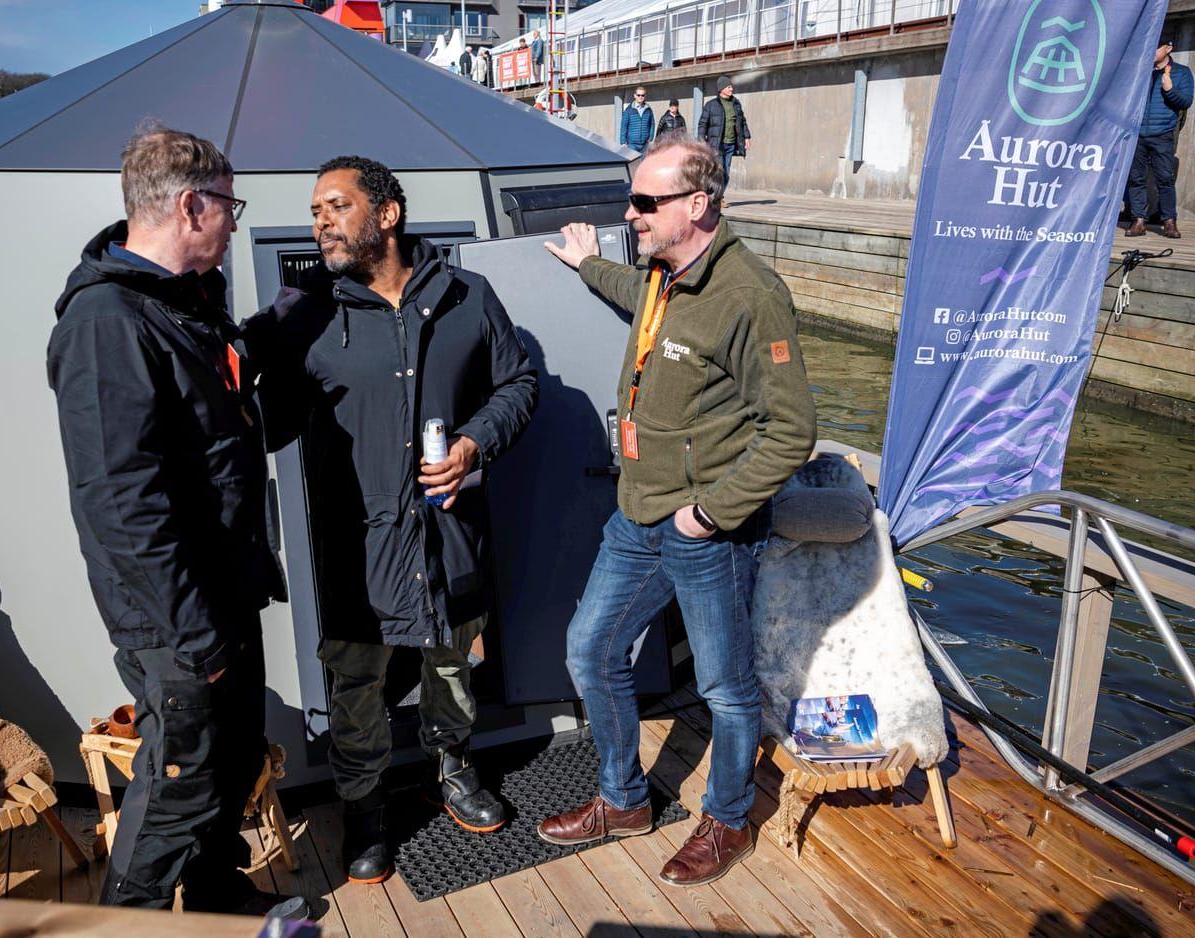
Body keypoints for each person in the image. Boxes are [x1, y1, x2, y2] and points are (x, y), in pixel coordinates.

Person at [241, 156, 538, 885]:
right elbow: (265, 424)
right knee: (357, 692)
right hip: (358, 552)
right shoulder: (308, 314)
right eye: (316, 211)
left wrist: (474, 442)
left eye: (336, 206)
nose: (321, 222)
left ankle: (455, 766)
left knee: (453, 668)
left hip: (447, 540)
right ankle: (366, 810)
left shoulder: (468, 295)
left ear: (388, 214)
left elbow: (518, 383)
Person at [538, 138, 815, 887]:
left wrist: (712, 512)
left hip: (705, 533)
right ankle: (625, 800)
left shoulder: (752, 296)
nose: (630, 215)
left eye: (644, 204)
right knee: (589, 651)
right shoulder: (664, 275)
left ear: (697, 206)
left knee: (725, 689)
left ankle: (726, 819)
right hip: (636, 517)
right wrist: (587, 263)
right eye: (632, 201)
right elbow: (639, 299)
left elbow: (791, 429)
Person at [46, 123, 297, 917]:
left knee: (229, 766)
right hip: (177, 619)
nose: (235, 222)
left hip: (226, 591)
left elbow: (218, 390)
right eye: (230, 206)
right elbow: (123, 508)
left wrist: (302, 303)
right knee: (174, 792)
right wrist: (195, 639)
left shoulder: (185, 300)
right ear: (191, 205)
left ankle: (219, 902)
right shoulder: (106, 325)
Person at [1125, 36, 1193, 239]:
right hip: (1137, 134)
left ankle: (1169, 222)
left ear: (1168, 48)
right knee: (1136, 179)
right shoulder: (1140, 72)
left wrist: (1169, 89)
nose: (1152, 50)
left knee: (1165, 179)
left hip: (1162, 134)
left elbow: (1186, 101)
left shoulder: (1181, 73)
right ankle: (1138, 221)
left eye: (1156, 46)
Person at [695, 75, 752, 202]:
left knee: (726, 173)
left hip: (730, 144)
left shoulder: (736, 104)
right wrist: (701, 142)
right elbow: (702, 124)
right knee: (718, 172)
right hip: (717, 144)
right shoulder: (711, 105)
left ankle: (718, 197)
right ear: (721, 89)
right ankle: (712, 195)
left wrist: (747, 137)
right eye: (729, 87)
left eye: (731, 86)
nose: (732, 89)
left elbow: (742, 121)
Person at [619, 87, 656, 156]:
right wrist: (623, 142)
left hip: (645, 145)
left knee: (644, 166)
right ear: (635, 96)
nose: (640, 97)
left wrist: (650, 138)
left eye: (642, 95)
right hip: (632, 145)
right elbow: (623, 127)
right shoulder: (628, 110)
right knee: (633, 166)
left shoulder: (648, 110)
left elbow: (652, 124)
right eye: (638, 95)